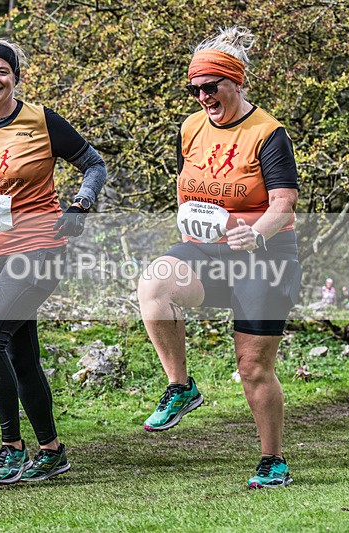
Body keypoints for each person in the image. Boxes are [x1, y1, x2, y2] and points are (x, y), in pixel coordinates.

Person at [136, 26, 301, 489]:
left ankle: (273, 460)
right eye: (195, 88)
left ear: (237, 81)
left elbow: (284, 202)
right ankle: (181, 387)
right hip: (208, 250)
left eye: (212, 86)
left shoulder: (268, 134)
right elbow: (184, 177)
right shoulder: (190, 127)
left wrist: (257, 234)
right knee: (154, 285)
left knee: (252, 368)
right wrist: (185, 217)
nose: (203, 95)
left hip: (264, 256)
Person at [0, 39, 106, 485]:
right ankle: (52, 451)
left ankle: (11, 448)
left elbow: (93, 163)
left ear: (16, 77)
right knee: (20, 353)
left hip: (39, 247)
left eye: (2, 71)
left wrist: (81, 204)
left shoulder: (41, 120)